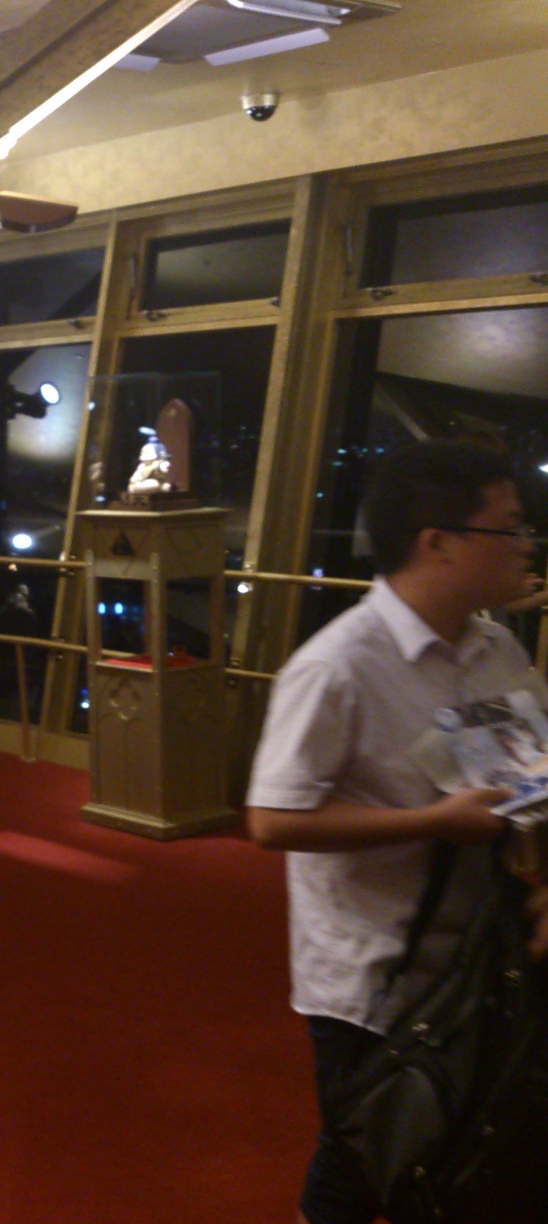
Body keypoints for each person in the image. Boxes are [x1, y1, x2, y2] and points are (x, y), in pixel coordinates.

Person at [246, 439, 548, 1224]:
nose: (526, 544)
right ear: (438, 542)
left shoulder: (495, 649)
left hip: (481, 955)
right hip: (372, 976)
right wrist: (430, 823)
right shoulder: (338, 665)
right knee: (367, 1151)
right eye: (510, 527)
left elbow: (525, 788)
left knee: (477, 1145)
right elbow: (271, 819)